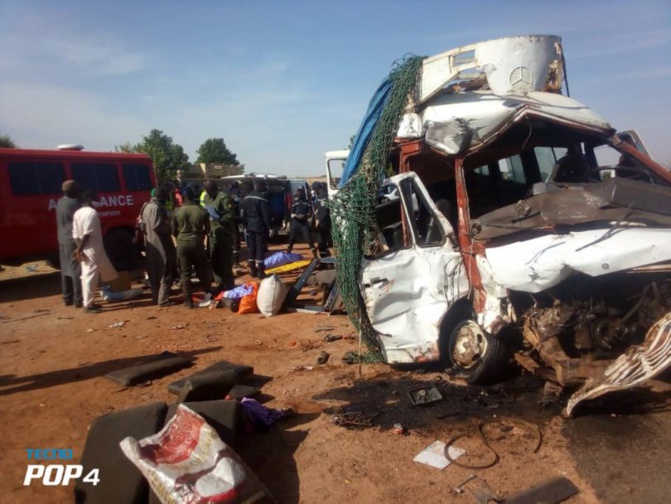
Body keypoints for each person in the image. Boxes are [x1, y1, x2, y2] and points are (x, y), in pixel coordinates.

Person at [72, 190, 118, 314]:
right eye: (95, 199)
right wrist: (80, 249)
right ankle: (88, 305)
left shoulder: (77, 213)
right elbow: (87, 233)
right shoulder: (92, 213)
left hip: (86, 249)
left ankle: (89, 302)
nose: (97, 201)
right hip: (92, 249)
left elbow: (76, 234)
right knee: (90, 276)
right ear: (88, 199)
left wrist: (79, 249)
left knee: (89, 275)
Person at [172, 185, 212, 308]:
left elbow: (173, 231)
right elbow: (208, 229)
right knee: (202, 270)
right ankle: (209, 293)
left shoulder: (177, 211)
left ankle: (188, 301)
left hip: (182, 244)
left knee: (185, 273)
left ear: (183, 197)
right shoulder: (201, 210)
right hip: (197, 243)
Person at [142, 183, 177, 306]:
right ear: (161, 197)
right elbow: (157, 226)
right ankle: (163, 299)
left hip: (150, 243)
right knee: (165, 271)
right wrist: (170, 228)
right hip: (160, 244)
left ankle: (155, 297)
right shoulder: (156, 208)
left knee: (154, 272)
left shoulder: (145, 206)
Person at [202, 180, 236, 292]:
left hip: (223, 232)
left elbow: (231, 214)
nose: (208, 192)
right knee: (214, 260)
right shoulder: (207, 198)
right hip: (212, 233)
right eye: (206, 190)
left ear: (214, 188)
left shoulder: (223, 197)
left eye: (210, 190)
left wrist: (220, 218)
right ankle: (220, 283)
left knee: (225, 260)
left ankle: (230, 285)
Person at [56, 180, 83, 308]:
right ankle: (79, 300)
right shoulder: (75, 203)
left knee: (65, 269)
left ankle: (67, 298)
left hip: (62, 239)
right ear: (73, 191)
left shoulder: (60, 202)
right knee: (77, 269)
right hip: (72, 239)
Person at [242, 179, 272, 278]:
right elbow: (266, 215)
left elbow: (244, 214)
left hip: (249, 225)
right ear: (259, 186)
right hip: (260, 226)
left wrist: (245, 225)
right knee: (260, 247)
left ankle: (252, 270)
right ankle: (260, 271)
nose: (264, 188)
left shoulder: (246, 198)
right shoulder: (262, 198)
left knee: (252, 247)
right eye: (263, 186)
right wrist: (269, 227)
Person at [287, 187, 317, 258]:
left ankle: (315, 256)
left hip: (303, 223)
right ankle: (288, 253)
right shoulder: (295, 202)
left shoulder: (307, 202)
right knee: (292, 238)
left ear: (303, 194)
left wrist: (304, 216)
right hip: (295, 222)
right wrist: (294, 215)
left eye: (300, 194)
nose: (299, 196)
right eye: (298, 194)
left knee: (308, 238)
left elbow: (310, 213)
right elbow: (291, 213)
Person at [312, 182, 333, 258]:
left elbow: (322, 212)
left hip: (324, 223)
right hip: (327, 221)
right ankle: (327, 258)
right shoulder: (326, 195)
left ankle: (325, 261)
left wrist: (319, 223)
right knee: (325, 242)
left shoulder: (321, 197)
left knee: (321, 243)